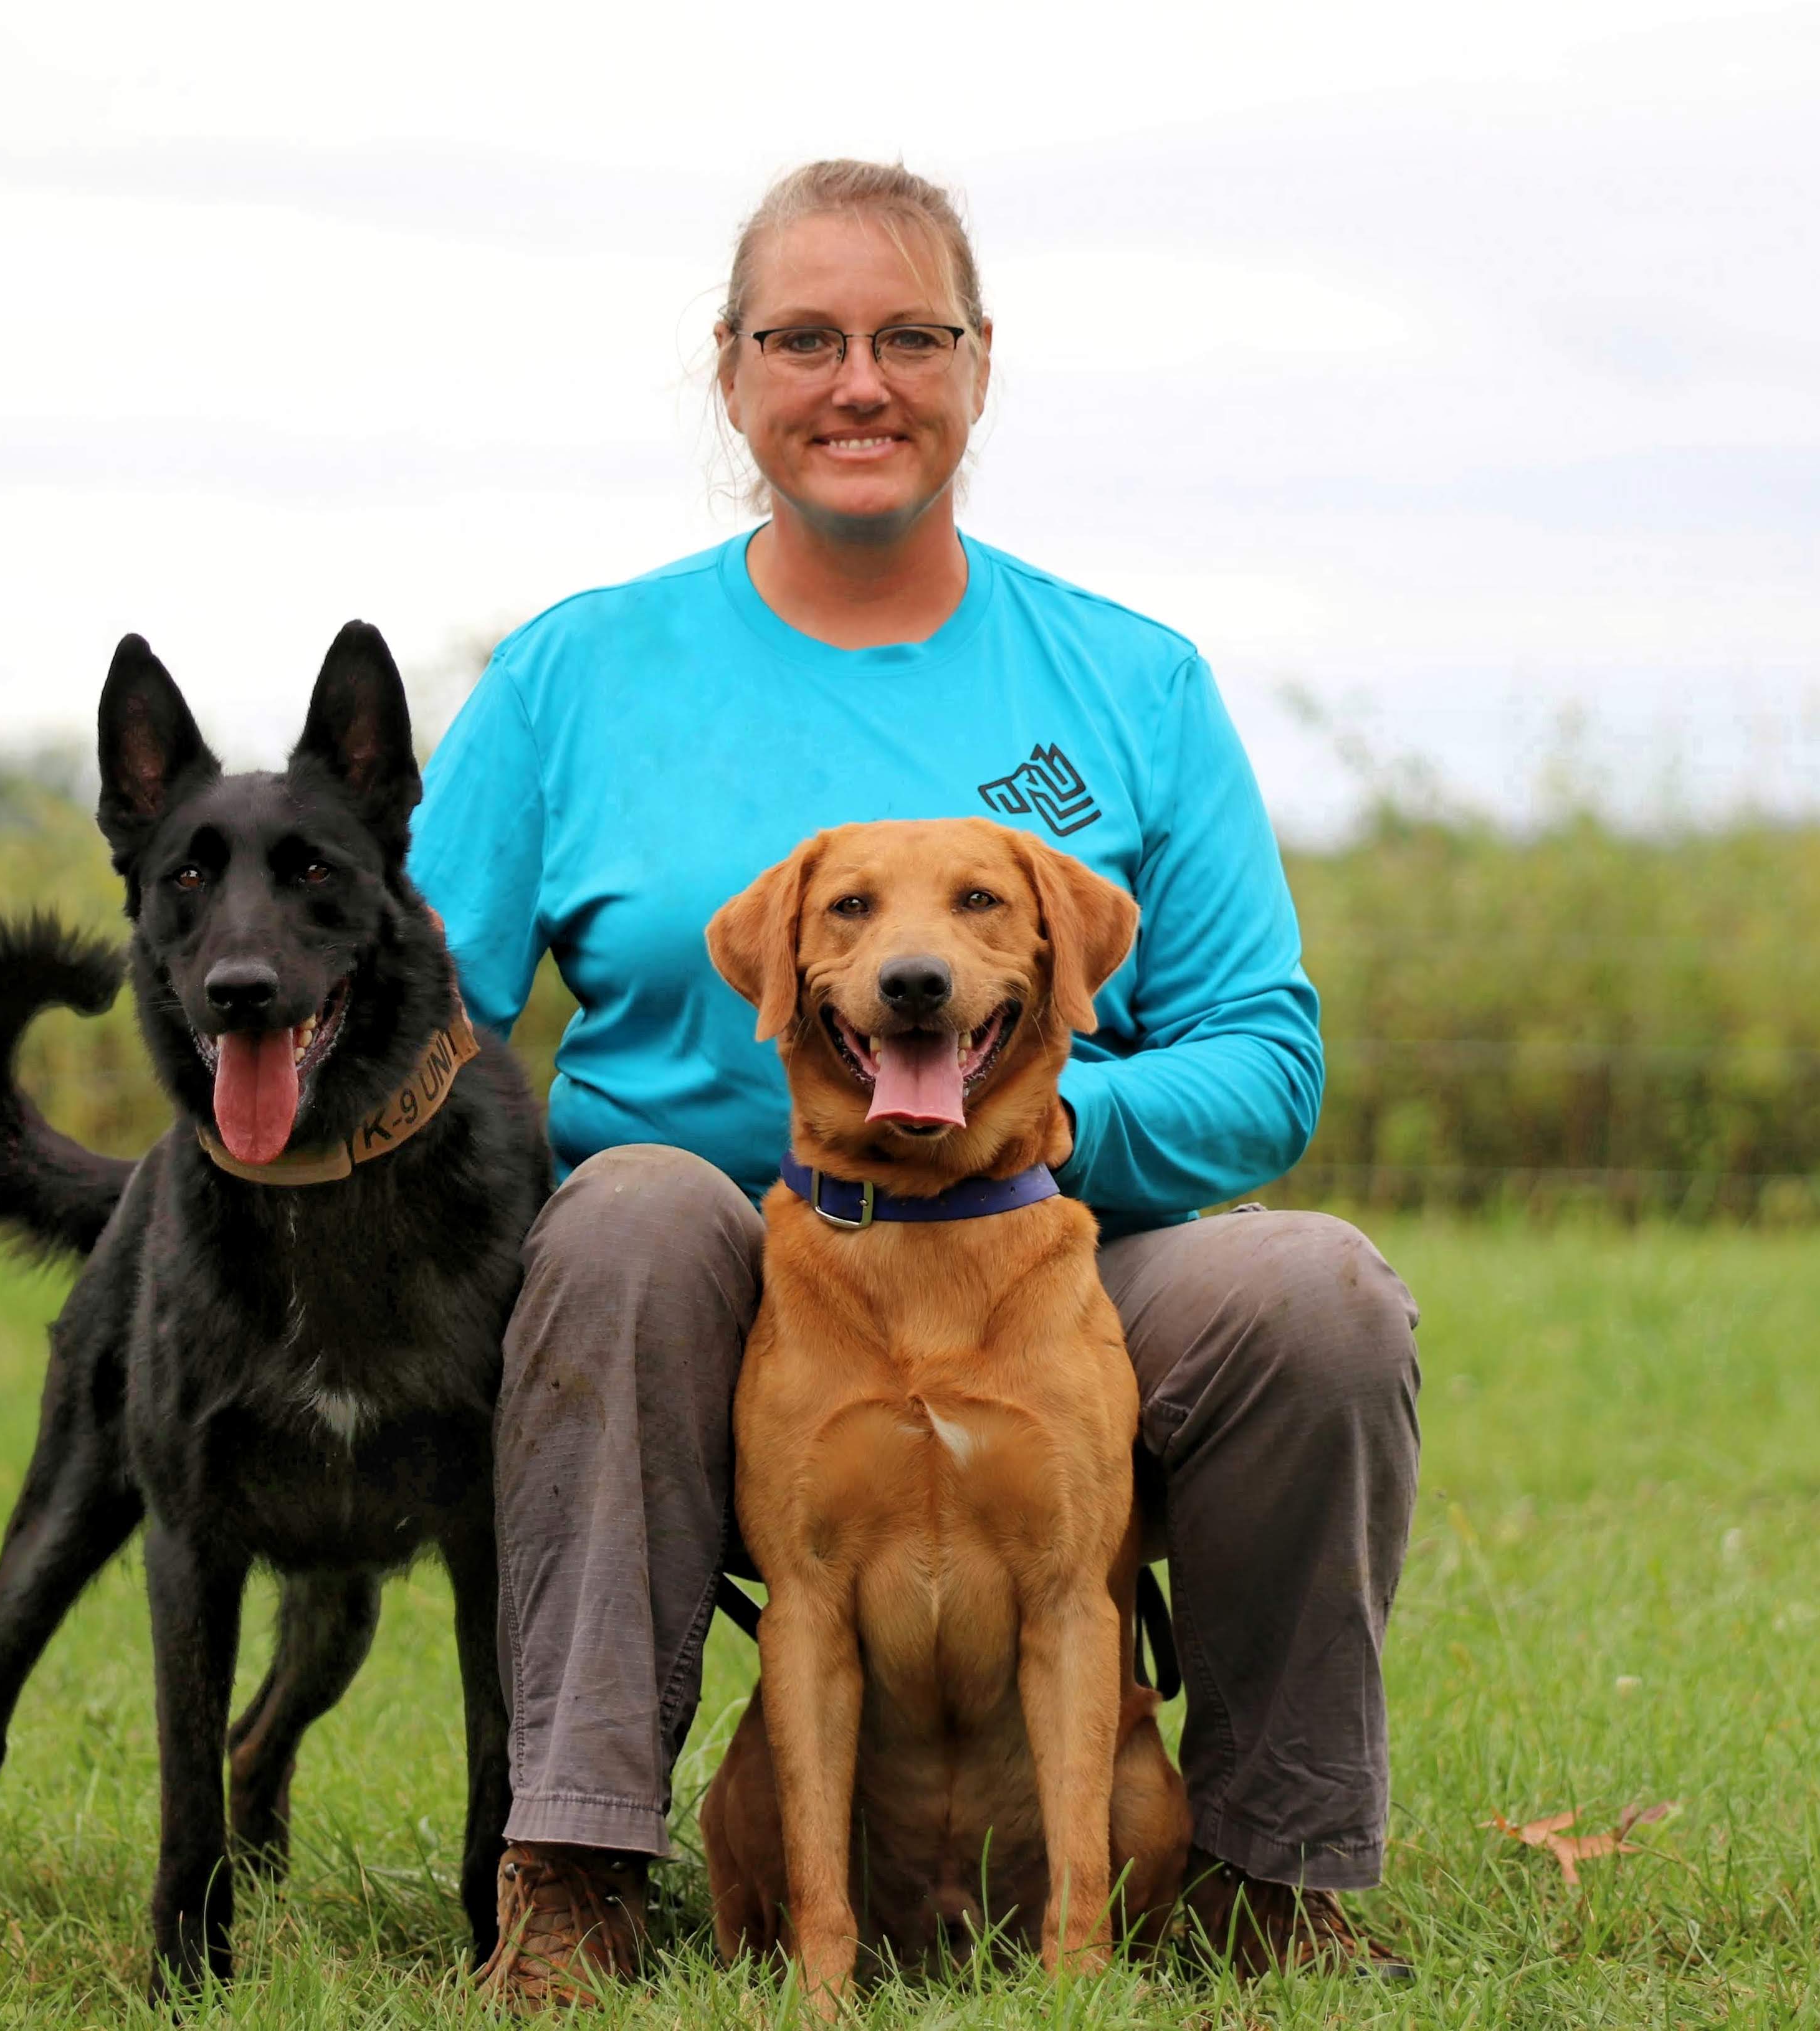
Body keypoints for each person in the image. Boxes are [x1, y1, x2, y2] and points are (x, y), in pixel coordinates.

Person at [411, 158, 1420, 2004]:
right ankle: (573, 1865)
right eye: (804, 337)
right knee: (632, 1214)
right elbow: (428, 1022)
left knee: (1319, 1288)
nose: (857, 380)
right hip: (724, 1292)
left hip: (1057, 1265)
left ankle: (1276, 1874)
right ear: (729, 373)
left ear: (978, 368)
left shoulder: (1127, 676)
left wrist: (1000, 1136)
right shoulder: (575, 672)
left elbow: (1267, 1057)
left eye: (908, 337)